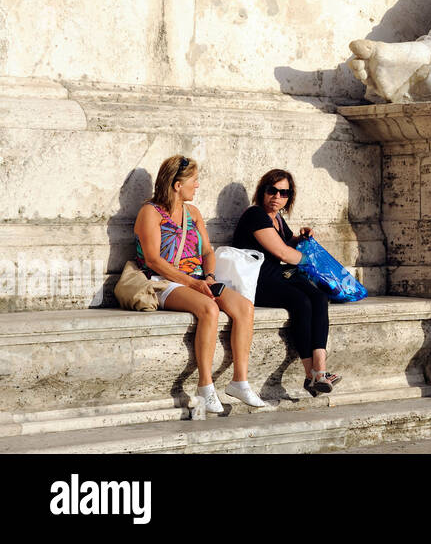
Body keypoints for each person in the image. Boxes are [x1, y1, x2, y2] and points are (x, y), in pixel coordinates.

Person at [128, 155, 266, 413]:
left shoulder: (193, 213)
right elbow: (153, 260)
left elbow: (207, 252)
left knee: (245, 307)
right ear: (177, 185)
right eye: (194, 180)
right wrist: (193, 283)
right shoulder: (150, 213)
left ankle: (240, 381)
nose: (198, 185)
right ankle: (205, 385)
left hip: (198, 280)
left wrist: (209, 277)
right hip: (162, 283)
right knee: (209, 309)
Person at [233, 169, 340, 396]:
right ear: (262, 191)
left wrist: (302, 237)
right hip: (258, 282)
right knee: (301, 301)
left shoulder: (277, 218)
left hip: (277, 277)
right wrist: (316, 263)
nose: (277, 197)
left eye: (284, 193)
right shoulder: (256, 215)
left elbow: (288, 241)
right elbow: (282, 252)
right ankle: (312, 374)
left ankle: (319, 370)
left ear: (289, 197)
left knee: (320, 297)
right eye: (272, 191)